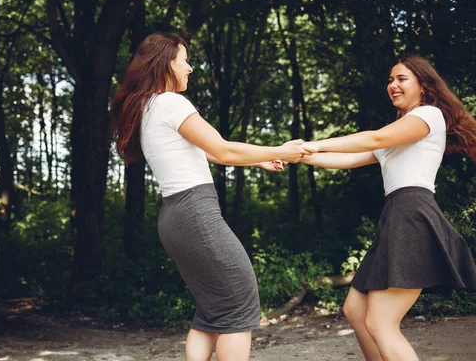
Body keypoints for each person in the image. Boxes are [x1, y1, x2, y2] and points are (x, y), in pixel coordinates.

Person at [110, 32, 310, 361]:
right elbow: (221, 148)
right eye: (184, 60)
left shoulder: (148, 108)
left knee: (212, 311)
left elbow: (207, 152)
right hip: (194, 213)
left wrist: (259, 158)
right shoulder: (170, 102)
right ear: (166, 63)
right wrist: (282, 151)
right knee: (239, 303)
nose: (189, 68)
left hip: (176, 217)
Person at [298, 55, 476, 361]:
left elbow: (375, 137)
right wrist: (298, 155)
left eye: (402, 79)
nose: (393, 85)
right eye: (390, 80)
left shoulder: (428, 115)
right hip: (395, 215)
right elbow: (349, 159)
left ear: (423, 86)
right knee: (355, 311)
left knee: (382, 323)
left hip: (413, 214)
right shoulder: (401, 128)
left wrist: (318, 142)